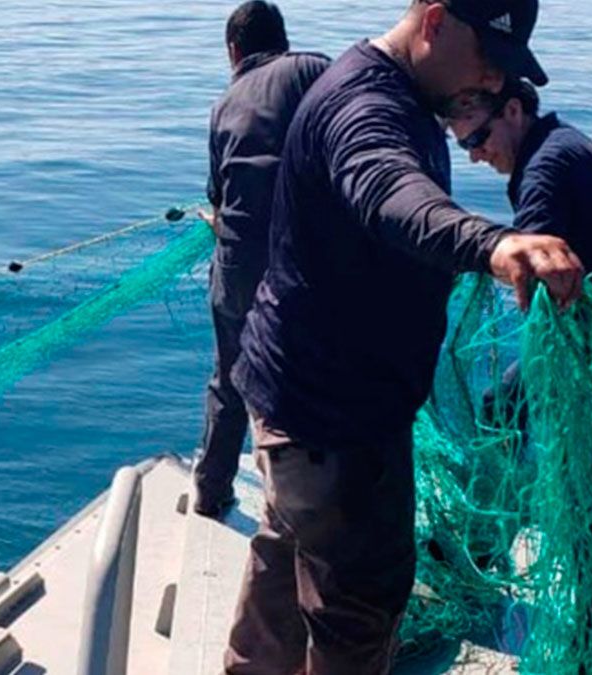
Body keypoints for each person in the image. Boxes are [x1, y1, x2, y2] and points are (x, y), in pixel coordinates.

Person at [224, 1, 585, 673]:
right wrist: (494, 243)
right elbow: (388, 188)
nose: (495, 82)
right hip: (334, 420)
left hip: (296, 398)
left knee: (284, 549)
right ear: (436, 21)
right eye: (489, 58)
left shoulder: (397, 96)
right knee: (359, 602)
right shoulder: (365, 107)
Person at [445, 78, 592, 516]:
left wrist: (469, 249)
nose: (475, 154)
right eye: (464, 146)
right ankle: (504, 517)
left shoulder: (546, 166)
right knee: (503, 405)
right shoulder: (556, 146)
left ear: (513, 111)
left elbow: (528, 264)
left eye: (477, 138)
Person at [193, 1, 330, 518]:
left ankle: (210, 492)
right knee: (298, 383)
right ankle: (297, 508)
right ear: (283, 40)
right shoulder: (310, 69)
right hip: (294, 271)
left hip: (233, 269)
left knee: (229, 381)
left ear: (234, 51)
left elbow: (218, 200)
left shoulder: (223, 104)